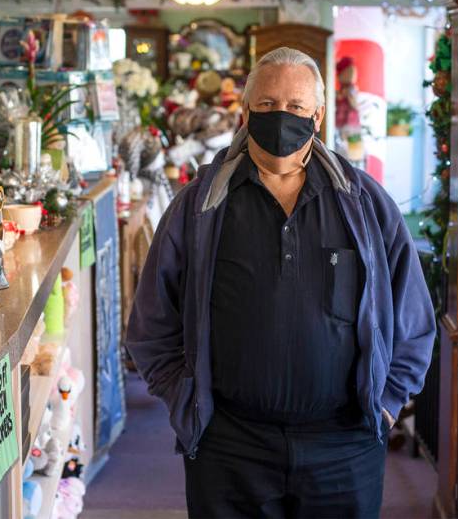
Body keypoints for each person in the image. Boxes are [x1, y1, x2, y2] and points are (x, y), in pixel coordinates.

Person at [126, 46, 435, 519]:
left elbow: (414, 320)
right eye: (267, 105)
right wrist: (183, 398)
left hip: (344, 445)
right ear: (245, 112)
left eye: (295, 106)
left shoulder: (366, 204)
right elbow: (151, 324)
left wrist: (388, 402)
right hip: (229, 446)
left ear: (318, 114)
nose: (281, 115)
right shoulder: (199, 205)